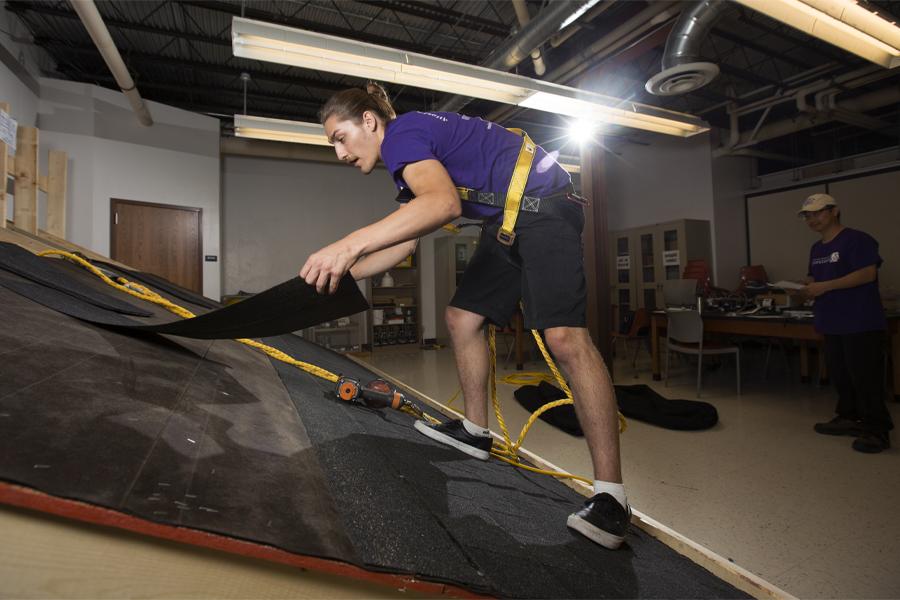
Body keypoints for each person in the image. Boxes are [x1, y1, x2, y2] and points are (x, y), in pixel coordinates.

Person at [300, 82, 629, 549]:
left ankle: (611, 497)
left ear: (369, 122)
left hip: (547, 211)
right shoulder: (408, 159)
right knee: (462, 317)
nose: (339, 153)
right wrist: (342, 275)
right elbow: (404, 242)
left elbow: (442, 205)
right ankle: (476, 431)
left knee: (563, 338)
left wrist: (347, 244)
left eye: (339, 137)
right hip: (509, 222)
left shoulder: (403, 135)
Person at [799, 193, 893, 453]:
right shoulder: (817, 249)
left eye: (818, 212)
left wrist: (825, 286)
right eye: (808, 215)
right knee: (841, 376)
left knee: (865, 378)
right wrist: (807, 286)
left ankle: (877, 430)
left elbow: (867, 273)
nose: (812, 219)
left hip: (860, 321)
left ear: (834, 211)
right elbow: (812, 277)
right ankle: (849, 417)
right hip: (831, 322)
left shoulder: (857, 239)